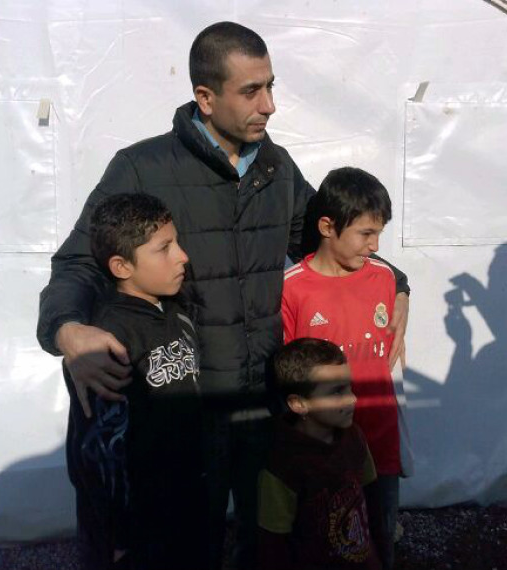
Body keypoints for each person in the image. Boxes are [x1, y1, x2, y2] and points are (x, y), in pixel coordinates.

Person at [37, 22, 410, 569]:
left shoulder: (276, 168)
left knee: (270, 542)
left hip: (264, 403)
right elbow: (78, 261)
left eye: (271, 86)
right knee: (191, 546)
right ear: (205, 98)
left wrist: (396, 282)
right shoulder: (142, 168)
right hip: (187, 410)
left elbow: (334, 235)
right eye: (252, 91)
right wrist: (68, 330)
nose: (271, 105)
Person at [64, 193, 206, 570]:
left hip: (183, 507)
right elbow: (98, 448)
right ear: (122, 266)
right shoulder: (108, 337)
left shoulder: (178, 313)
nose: (182, 256)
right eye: (165, 248)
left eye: (177, 242)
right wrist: (119, 532)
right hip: (134, 531)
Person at [281, 167, 409, 570]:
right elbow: (286, 372)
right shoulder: (292, 288)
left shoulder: (386, 279)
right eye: (365, 234)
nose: (374, 245)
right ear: (326, 226)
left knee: (380, 536)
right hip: (320, 452)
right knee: (321, 542)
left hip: (379, 443)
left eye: (379, 234)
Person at [258, 338, 381, 570]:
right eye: (336, 391)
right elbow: (273, 547)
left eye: (349, 387)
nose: (353, 398)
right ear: (298, 403)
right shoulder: (282, 466)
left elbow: (372, 500)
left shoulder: (354, 437)